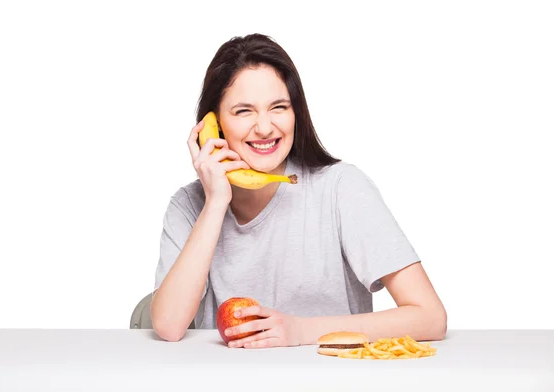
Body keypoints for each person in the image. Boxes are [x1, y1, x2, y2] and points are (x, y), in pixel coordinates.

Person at [150, 33, 447, 348]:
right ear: (215, 124)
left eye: (278, 107)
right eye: (243, 111)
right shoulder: (188, 206)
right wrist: (216, 202)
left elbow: (430, 317)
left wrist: (299, 332)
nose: (265, 128)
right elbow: (169, 326)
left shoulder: (341, 188)